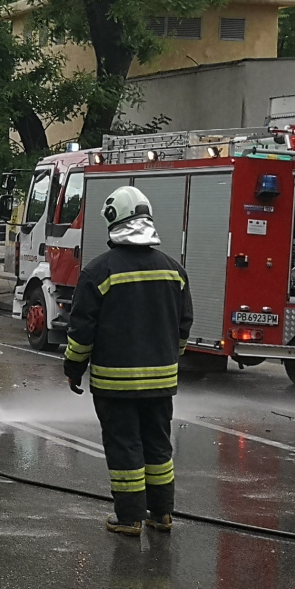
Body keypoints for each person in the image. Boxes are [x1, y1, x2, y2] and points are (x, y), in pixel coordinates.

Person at [62, 185, 192, 537]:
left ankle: (130, 517)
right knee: (158, 446)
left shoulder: (97, 273)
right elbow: (184, 326)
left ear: (112, 220)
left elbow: (81, 333)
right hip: (161, 384)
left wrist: (73, 368)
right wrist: (170, 355)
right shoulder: (173, 271)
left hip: (115, 384)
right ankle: (161, 514)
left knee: (125, 448)